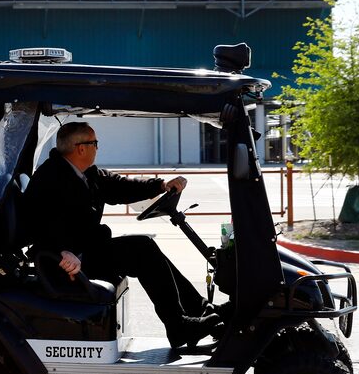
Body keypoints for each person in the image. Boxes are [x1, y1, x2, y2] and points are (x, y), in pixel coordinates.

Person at [23, 121, 224, 350]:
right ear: (81, 148)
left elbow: (120, 186)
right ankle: (178, 326)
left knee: (145, 248)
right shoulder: (50, 177)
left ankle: (201, 310)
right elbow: (33, 224)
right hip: (68, 263)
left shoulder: (87, 173)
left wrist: (161, 185)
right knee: (141, 249)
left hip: (86, 250)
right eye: (95, 143)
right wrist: (60, 251)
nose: (97, 148)